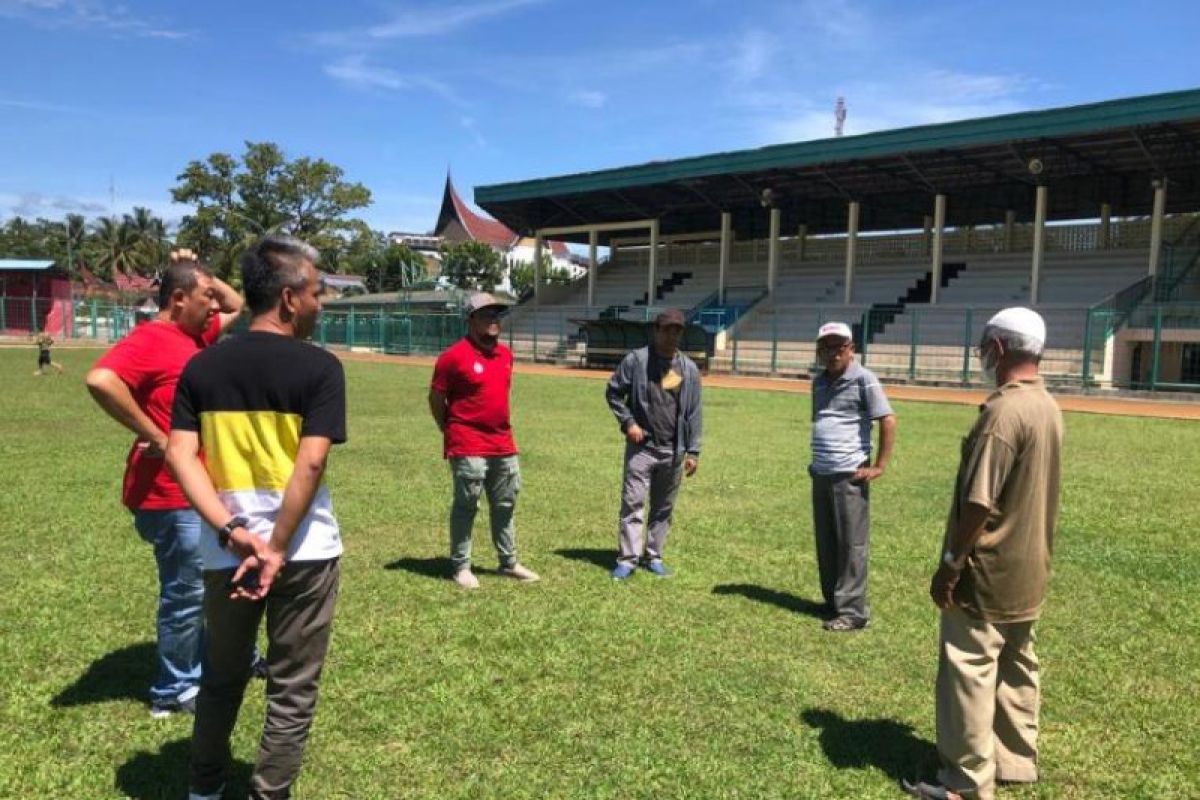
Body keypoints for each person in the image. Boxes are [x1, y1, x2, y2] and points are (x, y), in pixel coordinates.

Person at [166, 235, 347, 800]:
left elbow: (178, 454)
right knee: (291, 689)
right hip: (305, 553)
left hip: (226, 554)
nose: (322, 304)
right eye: (317, 292)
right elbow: (311, 461)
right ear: (290, 299)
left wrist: (232, 531)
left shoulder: (202, 366)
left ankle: (203, 791)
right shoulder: (321, 368)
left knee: (219, 680)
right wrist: (275, 547)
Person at [903, 308, 1063, 800]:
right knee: (1017, 664)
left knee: (969, 669)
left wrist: (951, 564)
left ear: (997, 349)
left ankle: (966, 782)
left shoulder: (1002, 413)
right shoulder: (1048, 406)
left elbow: (979, 502)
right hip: (1030, 567)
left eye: (983, 345)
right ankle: (1015, 761)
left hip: (988, 570)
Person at [85, 249, 245, 717]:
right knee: (186, 591)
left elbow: (236, 306)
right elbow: (100, 379)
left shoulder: (196, 335)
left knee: (218, 578)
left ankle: (229, 657)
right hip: (168, 494)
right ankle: (174, 689)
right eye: (204, 298)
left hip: (199, 490)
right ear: (178, 299)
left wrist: (205, 273)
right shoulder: (153, 338)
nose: (214, 306)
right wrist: (153, 434)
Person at [429, 292, 539, 589]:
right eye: (486, 314)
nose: (494, 320)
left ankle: (509, 563)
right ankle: (461, 566)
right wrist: (450, 430)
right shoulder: (452, 357)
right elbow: (436, 398)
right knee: (467, 505)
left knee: (505, 504)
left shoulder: (505, 355)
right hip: (467, 442)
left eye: (496, 315)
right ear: (470, 319)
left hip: (503, 442)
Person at [808, 321, 895, 631]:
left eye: (838, 347)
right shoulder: (818, 383)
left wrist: (880, 465)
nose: (832, 354)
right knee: (827, 542)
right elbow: (821, 422)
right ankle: (833, 600)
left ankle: (853, 610)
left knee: (851, 544)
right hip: (822, 473)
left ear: (851, 349)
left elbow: (887, 420)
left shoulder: (864, 380)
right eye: (826, 348)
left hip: (850, 475)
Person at [604, 308, 703, 580]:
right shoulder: (636, 361)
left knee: (663, 508)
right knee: (633, 502)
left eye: (678, 330)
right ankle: (627, 559)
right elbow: (613, 392)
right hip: (642, 447)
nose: (672, 335)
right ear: (656, 330)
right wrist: (629, 423)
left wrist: (693, 450)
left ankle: (654, 555)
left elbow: (693, 412)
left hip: (673, 450)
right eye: (667, 329)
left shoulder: (688, 370)